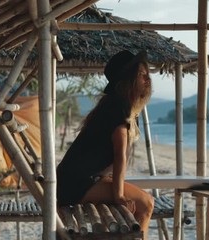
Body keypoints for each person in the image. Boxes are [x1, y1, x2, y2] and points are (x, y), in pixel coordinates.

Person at [56, 50, 154, 238]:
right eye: (141, 75)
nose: (147, 79)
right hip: (75, 184)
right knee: (146, 203)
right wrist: (119, 197)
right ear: (128, 80)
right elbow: (120, 156)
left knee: (138, 202)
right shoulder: (119, 107)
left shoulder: (116, 105)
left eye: (147, 74)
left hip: (74, 180)